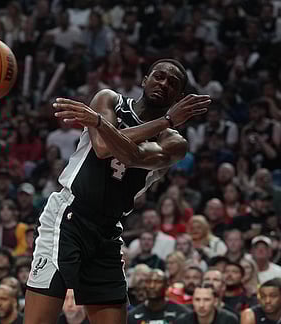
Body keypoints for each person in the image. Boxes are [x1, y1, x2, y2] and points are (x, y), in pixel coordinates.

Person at [24, 59, 211, 324]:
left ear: (179, 99)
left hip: (108, 230)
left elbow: (131, 155)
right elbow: (101, 147)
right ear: (144, 80)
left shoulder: (174, 142)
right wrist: (103, 125)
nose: (163, 84)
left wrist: (104, 123)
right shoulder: (109, 99)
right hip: (69, 217)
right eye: (158, 77)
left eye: (172, 83)